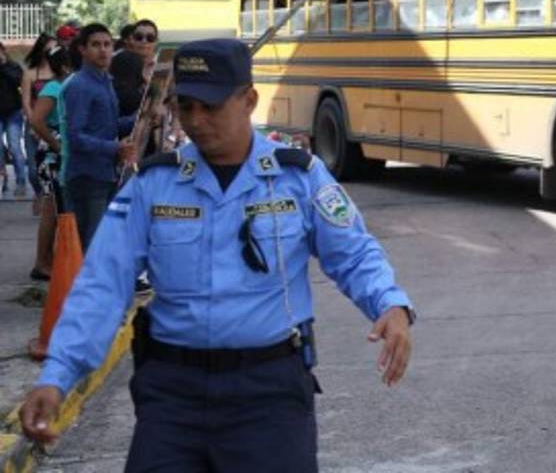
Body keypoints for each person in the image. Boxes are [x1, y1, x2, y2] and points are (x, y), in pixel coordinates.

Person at [18, 38, 416, 472]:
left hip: (269, 394)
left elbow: (353, 253)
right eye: (186, 107)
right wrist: (57, 377)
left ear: (248, 100)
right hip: (172, 398)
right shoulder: (155, 184)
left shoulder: (296, 177)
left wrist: (389, 304)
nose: (197, 120)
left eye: (211, 106)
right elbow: (102, 284)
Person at [62, 24, 136, 251]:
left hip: (105, 172)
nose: (103, 50)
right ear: (83, 49)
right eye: (96, 45)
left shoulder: (105, 81)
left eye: (107, 44)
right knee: (91, 243)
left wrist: (141, 118)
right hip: (87, 176)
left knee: (103, 240)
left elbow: (108, 125)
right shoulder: (80, 85)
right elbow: (75, 137)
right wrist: (114, 147)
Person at [27, 43, 72, 281]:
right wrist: (57, 145)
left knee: (54, 208)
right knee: (51, 210)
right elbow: (36, 121)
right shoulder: (54, 88)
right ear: (65, 65)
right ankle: (42, 263)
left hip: (57, 153)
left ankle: (47, 259)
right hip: (52, 155)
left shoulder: (62, 86)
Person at [22, 33, 56, 208]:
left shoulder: (61, 73)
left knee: (52, 166)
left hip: (55, 127)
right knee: (33, 170)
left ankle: (49, 198)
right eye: (49, 49)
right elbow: (26, 103)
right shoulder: (30, 73)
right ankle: (39, 193)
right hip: (34, 125)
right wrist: (34, 124)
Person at [0, 40, 30, 199]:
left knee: (15, 146)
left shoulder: (13, 67)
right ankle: (2, 180)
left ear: (3, 51)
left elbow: (19, 82)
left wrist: (3, 65)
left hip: (13, 112)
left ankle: (21, 181)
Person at [111, 19, 158, 118]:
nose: (144, 41)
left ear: (156, 41)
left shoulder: (165, 67)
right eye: (139, 37)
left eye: (150, 38)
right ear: (131, 39)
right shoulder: (117, 63)